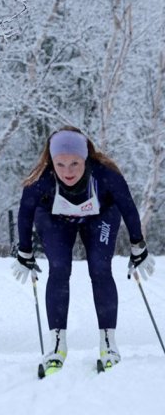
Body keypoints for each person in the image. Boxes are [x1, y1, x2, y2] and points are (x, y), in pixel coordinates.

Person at [12, 126, 154, 373]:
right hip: (55, 220)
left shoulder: (105, 175)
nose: (68, 171)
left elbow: (127, 206)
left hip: (100, 217)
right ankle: (57, 344)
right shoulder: (41, 180)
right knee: (58, 267)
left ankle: (108, 343)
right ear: (51, 161)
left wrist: (137, 245)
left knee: (100, 268)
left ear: (85, 158)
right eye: (61, 164)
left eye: (75, 163)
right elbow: (25, 213)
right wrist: (25, 252)